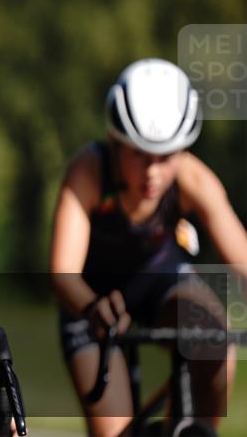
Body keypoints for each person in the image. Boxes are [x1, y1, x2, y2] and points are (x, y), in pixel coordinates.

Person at [49, 58, 247, 437]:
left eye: (166, 157)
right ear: (115, 141)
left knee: (214, 337)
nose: (153, 172)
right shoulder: (88, 172)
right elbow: (62, 274)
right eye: (138, 154)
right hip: (92, 304)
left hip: (163, 286)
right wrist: (92, 307)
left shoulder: (193, 178)